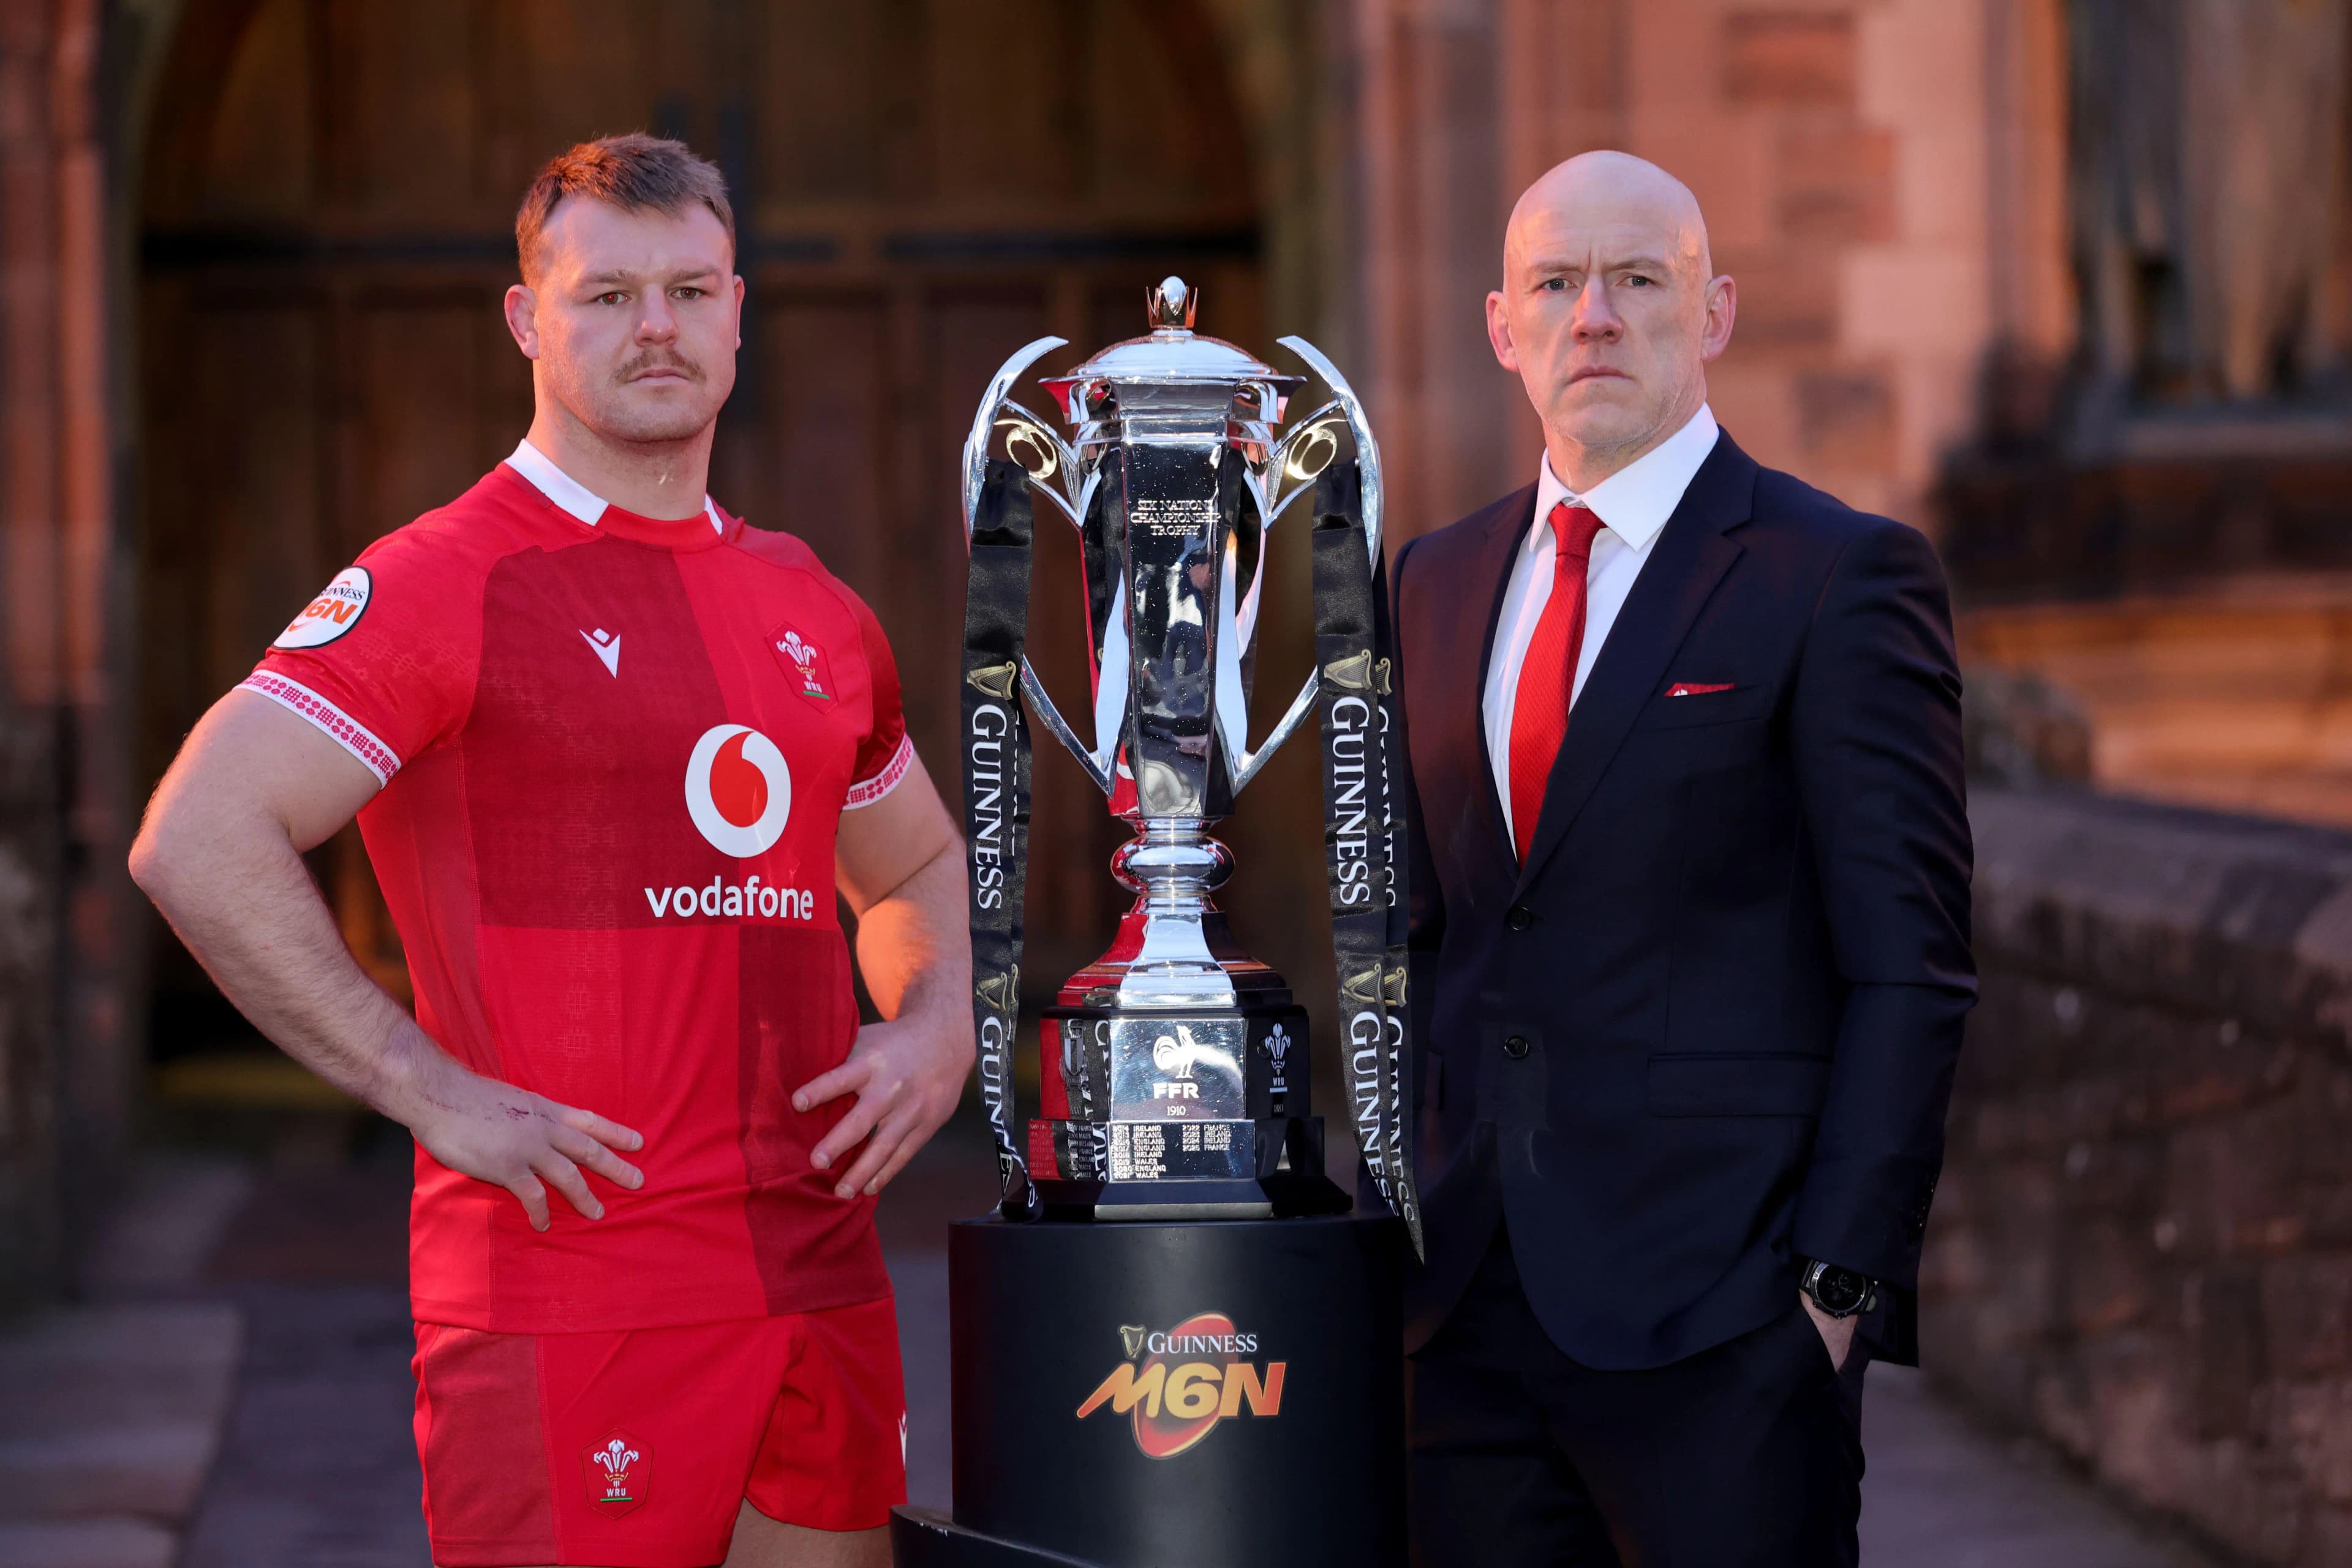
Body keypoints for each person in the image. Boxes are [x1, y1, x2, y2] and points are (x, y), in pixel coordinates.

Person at [129, 135, 969, 1568]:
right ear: (528, 319)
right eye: (608, 295)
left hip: (816, 1275)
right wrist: (418, 1083)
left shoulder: (808, 600)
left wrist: (936, 1024)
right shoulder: (444, 578)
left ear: (740, 311)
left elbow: (909, 869)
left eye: (691, 291)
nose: (658, 327)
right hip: (567, 1288)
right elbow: (195, 837)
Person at [1390, 151, 1974, 1564]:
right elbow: (1418, 935)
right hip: (1460, 1324)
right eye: (1556, 284)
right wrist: (1393, 1201)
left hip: (1726, 1330)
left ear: (1711, 313)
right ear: (1501, 327)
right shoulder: (1433, 579)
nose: (1595, 316)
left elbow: (1913, 967)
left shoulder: (1834, 576)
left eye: (1638, 280)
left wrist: (1835, 1289)